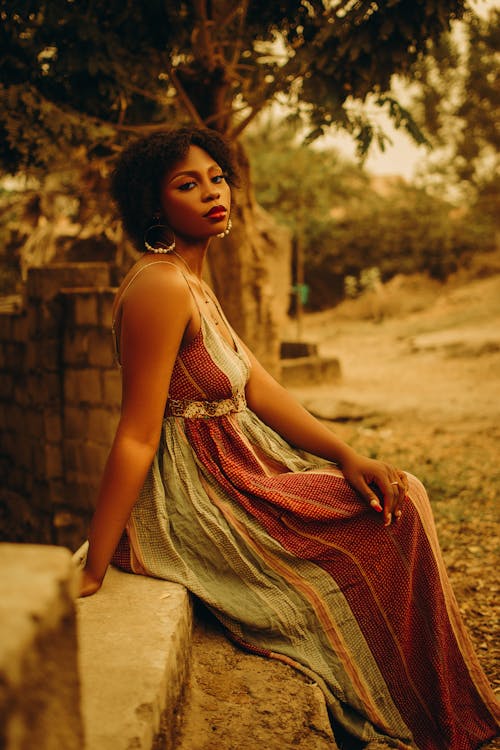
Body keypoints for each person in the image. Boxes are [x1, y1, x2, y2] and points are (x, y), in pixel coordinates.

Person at [79, 127, 498, 749]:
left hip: (240, 469)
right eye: (186, 184)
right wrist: (95, 561)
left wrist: (346, 453)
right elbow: (138, 433)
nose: (211, 193)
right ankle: (425, 714)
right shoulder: (160, 286)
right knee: (395, 514)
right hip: (203, 494)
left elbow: (258, 386)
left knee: (393, 494)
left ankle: (429, 707)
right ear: (153, 203)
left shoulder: (192, 282)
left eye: (217, 178)